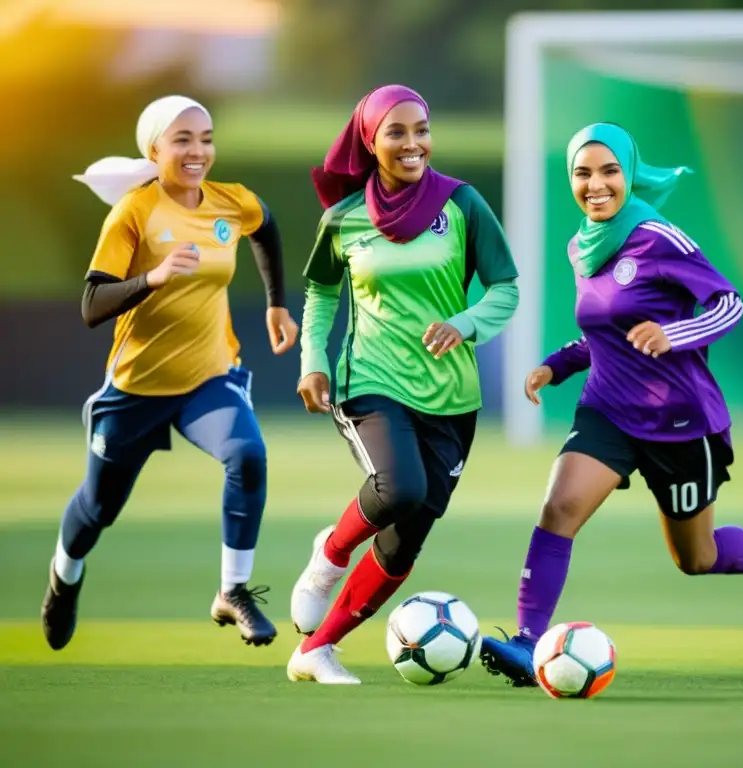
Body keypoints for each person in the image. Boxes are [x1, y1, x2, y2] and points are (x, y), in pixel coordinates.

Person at [479, 123, 743, 688]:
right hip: (609, 410)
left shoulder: (659, 237)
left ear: (629, 174)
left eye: (609, 171)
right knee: (559, 507)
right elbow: (603, 334)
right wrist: (556, 365)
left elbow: (730, 305)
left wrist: (674, 333)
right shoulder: (580, 246)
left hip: (680, 421)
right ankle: (526, 643)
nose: (596, 184)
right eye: (582, 173)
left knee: (697, 557)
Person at [42, 96, 299, 651]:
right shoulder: (133, 212)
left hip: (209, 378)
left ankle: (233, 590)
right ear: (155, 148)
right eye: (182, 139)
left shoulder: (230, 202)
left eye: (205, 138)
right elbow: (91, 304)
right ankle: (64, 576)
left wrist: (277, 302)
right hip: (136, 390)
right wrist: (152, 278)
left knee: (247, 454)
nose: (197, 151)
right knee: (97, 509)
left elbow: (266, 227)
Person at [286, 85, 520, 685]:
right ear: (370, 140)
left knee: (403, 541)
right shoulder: (342, 218)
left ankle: (316, 650)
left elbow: (505, 289)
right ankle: (331, 554)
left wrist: (465, 322)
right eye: (396, 131)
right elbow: (321, 294)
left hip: (453, 398)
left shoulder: (463, 204)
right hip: (370, 379)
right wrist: (313, 359)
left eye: (422, 129)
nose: (413, 143)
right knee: (399, 488)